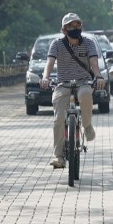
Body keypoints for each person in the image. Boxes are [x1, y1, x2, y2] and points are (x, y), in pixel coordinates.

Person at [39, 13, 106, 169]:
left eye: (77, 25)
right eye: (70, 26)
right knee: (58, 118)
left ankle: (87, 125)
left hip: (83, 82)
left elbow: (94, 62)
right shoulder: (56, 44)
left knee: (85, 95)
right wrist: (45, 77)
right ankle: (59, 156)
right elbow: (50, 62)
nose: (75, 28)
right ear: (63, 29)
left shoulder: (88, 43)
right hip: (62, 84)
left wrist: (99, 76)